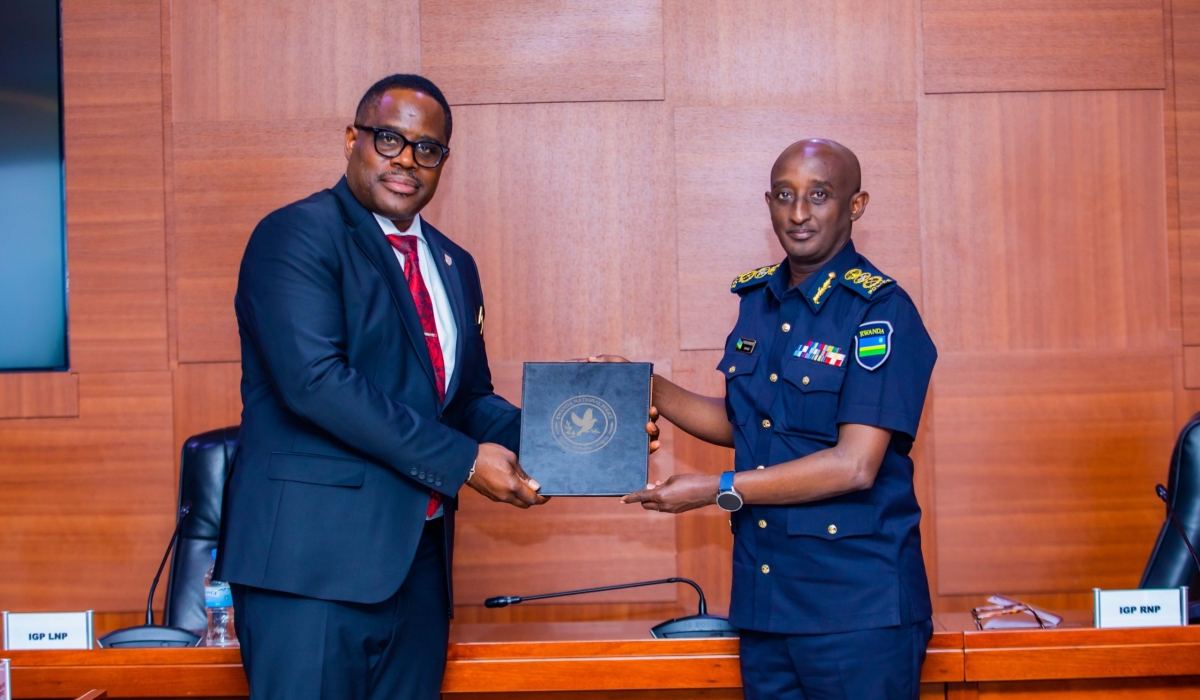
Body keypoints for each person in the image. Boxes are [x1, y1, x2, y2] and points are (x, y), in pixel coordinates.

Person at [215, 74, 548, 700]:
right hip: (309, 571)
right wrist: (464, 462)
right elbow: (315, 383)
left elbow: (468, 401)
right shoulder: (296, 235)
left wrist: (572, 437)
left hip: (417, 571)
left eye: (428, 149)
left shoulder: (454, 264)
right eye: (389, 139)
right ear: (352, 140)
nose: (407, 161)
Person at [595, 139, 936, 699]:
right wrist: (645, 386)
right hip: (766, 605)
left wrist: (715, 489)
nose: (798, 214)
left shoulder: (880, 311)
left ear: (856, 205)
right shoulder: (758, 301)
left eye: (819, 195)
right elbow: (752, 426)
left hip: (855, 611)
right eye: (785, 196)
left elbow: (854, 466)